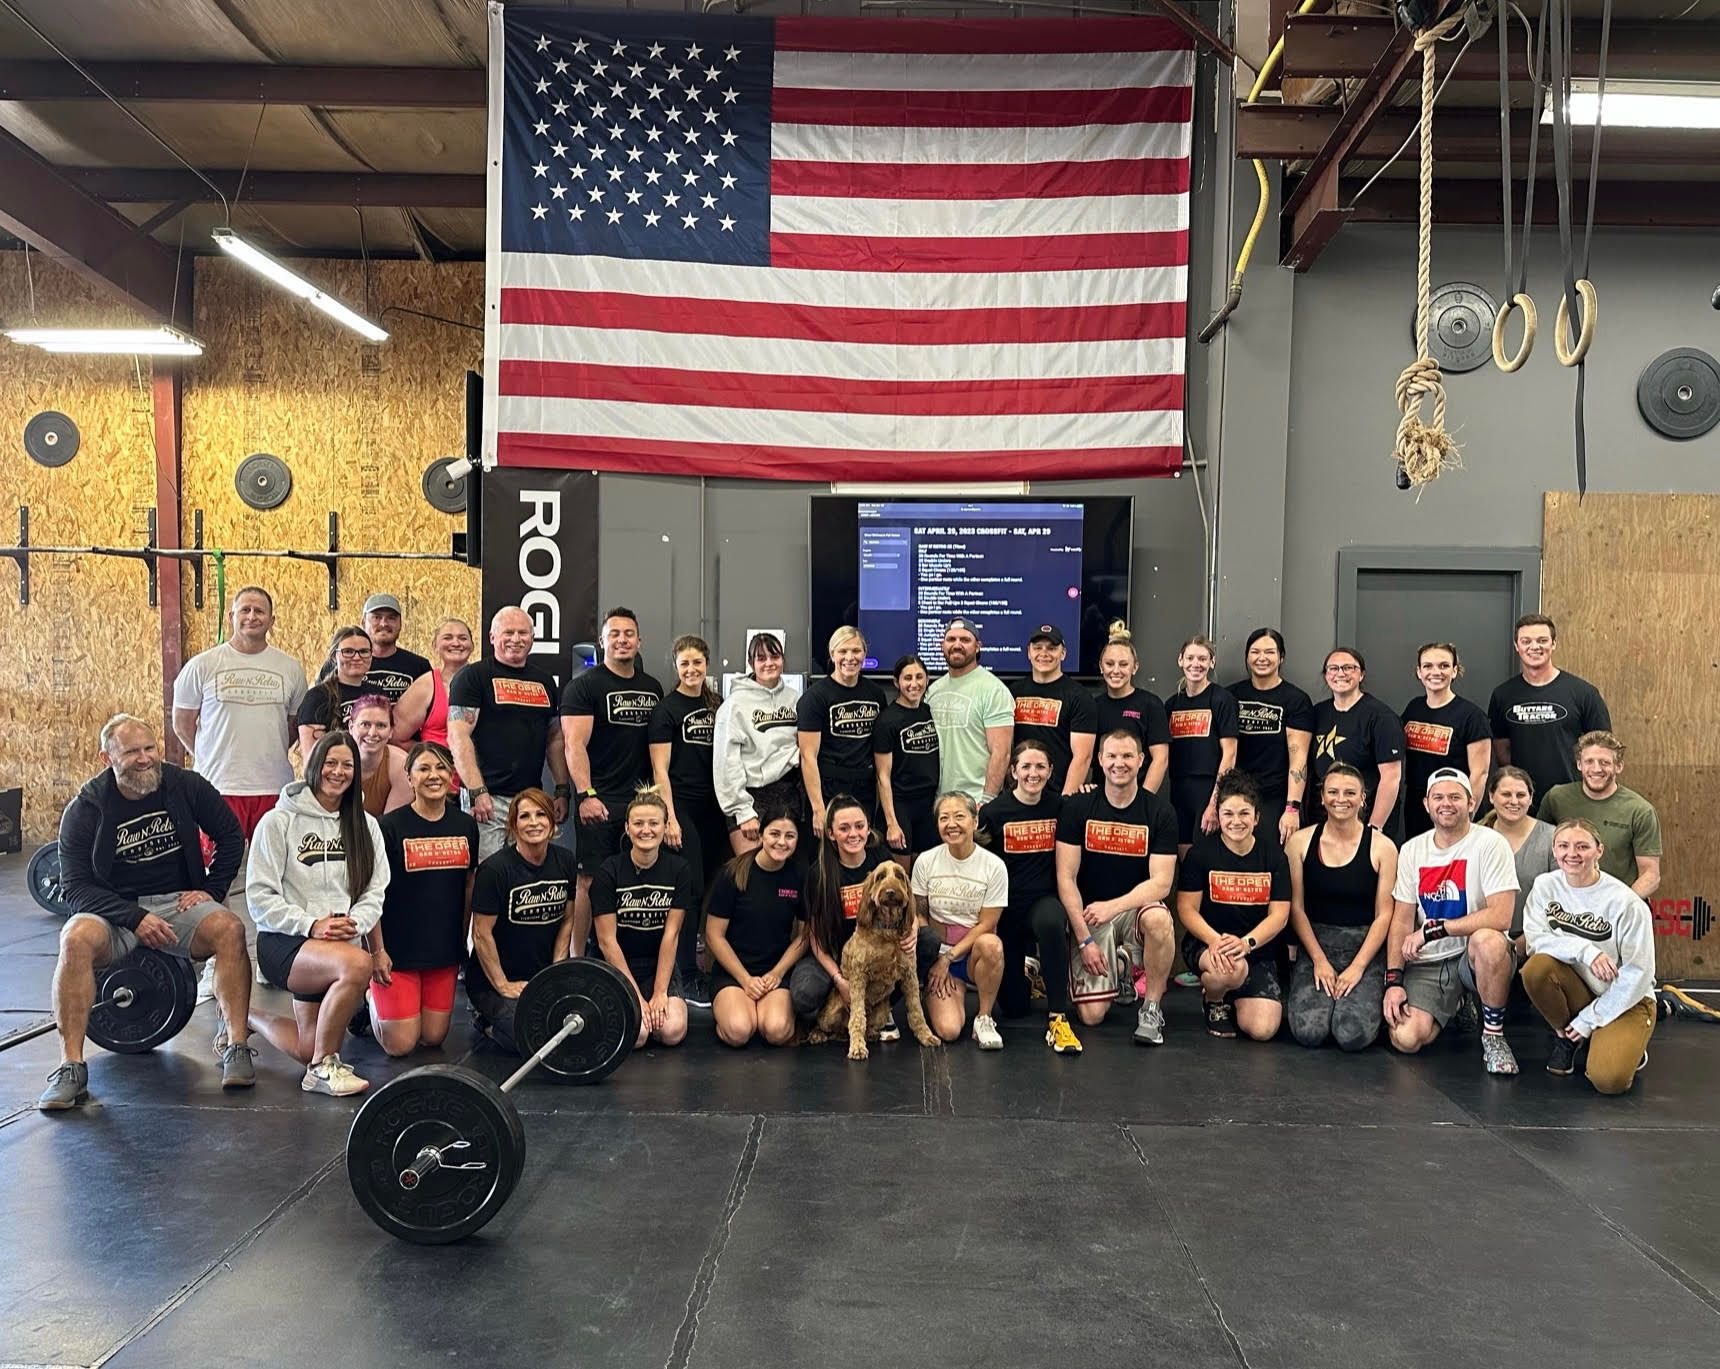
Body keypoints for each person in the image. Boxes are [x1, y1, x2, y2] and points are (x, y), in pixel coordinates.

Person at [39, 715, 254, 1109]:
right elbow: (76, 887)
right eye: (132, 751)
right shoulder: (86, 808)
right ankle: (71, 1067)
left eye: (150, 748)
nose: (145, 759)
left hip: (177, 902)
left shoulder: (184, 785)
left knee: (230, 928)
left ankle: (236, 1045)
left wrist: (210, 890)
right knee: (74, 939)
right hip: (113, 910)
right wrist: (132, 916)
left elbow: (230, 836)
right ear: (107, 757)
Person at [171, 584, 308, 983]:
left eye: (260, 611)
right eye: (244, 610)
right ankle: (217, 960)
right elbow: (183, 723)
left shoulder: (289, 668)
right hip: (219, 787)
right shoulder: (203, 665)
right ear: (232, 615)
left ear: (272, 619)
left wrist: (267, 753)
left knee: (277, 877)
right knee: (219, 876)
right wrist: (211, 757)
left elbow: (293, 727)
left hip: (272, 786)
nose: (252, 617)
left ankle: (272, 957)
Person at [247, 729, 390, 1097]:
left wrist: (353, 923)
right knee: (358, 965)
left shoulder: (365, 826)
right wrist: (311, 924)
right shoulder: (278, 822)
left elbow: (376, 890)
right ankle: (323, 1068)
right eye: (330, 763)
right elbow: (259, 897)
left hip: (337, 944)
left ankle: (246, 1017)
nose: (338, 772)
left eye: (347, 765)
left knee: (304, 1046)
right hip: (286, 943)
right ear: (313, 766)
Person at [1383, 768, 1521, 1075]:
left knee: (1488, 940)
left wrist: (1435, 929)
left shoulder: (1490, 843)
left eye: (1456, 797)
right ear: (1426, 804)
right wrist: (1394, 981)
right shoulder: (1412, 850)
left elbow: (1501, 916)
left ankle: (1494, 1036)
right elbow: (1401, 921)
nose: (1447, 804)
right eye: (1439, 797)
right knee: (1406, 1038)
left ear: (1471, 804)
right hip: (1432, 961)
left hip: (1476, 954)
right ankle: (1457, 1005)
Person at [1055, 728, 1179, 1043]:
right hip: (1090, 914)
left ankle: (1151, 1008)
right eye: (1111, 756)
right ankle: (1122, 969)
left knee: (1160, 918)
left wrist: (1114, 906)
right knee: (1092, 1018)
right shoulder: (1077, 807)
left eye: (1127, 756)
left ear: (1141, 761)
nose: (1118, 763)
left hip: (1128, 909)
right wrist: (1084, 940)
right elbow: (1065, 878)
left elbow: (1162, 884)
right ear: (1099, 759)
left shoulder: (1160, 812)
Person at [1521, 818, 1656, 1093]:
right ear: (1554, 851)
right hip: (1580, 988)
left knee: (1609, 1082)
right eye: (1564, 846)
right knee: (1536, 969)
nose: (1572, 854)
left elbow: (1639, 973)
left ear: (1599, 851)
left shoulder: (1625, 902)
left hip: (1626, 998)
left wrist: (1589, 1019)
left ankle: (1620, 1043)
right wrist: (1585, 950)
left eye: (1582, 846)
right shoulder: (1545, 886)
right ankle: (1568, 1038)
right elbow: (1535, 941)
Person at [562, 607, 664, 957]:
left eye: (629, 634)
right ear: (603, 640)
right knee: (589, 879)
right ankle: (577, 958)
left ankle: (623, 955)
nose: (622, 640)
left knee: (635, 879)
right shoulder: (585, 687)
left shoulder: (652, 687)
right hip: (599, 799)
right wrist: (586, 795)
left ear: (639, 641)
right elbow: (573, 745)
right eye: (615, 634)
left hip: (640, 803)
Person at [370, 742, 477, 1056]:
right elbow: (370, 894)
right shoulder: (388, 827)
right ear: (409, 777)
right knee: (401, 1045)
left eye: (441, 767)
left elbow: (468, 886)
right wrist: (376, 951)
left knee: (432, 1038)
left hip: (442, 952)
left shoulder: (466, 825)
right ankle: (369, 997)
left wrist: (462, 942)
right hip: (397, 953)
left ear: (452, 775)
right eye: (424, 768)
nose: (434, 775)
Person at [1284, 764, 1397, 1051]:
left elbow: (1385, 914)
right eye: (1332, 792)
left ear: (1363, 798)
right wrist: (1319, 960)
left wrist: (1358, 967)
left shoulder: (1383, 847)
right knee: (1309, 1033)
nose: (1340, 799)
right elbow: (1295, 908)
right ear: (1321, 797)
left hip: (1364, 947)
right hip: (1316, 945)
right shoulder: (1299, 842)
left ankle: (1367, 999)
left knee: (1351, 1035)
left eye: (1350, 793)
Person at [446, 606, 571, 861]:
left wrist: (561, 789)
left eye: (523, 633)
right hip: (487, 799)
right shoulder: (472, 677)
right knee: (485, 876)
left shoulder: (545, 682)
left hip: (531, 800)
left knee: (529, 875)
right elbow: (458, 736)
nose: (516, 639)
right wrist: (476, 791)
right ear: (492, 637)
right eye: (508, 632)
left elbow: (555, 739)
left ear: (532, 638)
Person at [1175, 772, 1291, 1040]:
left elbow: (1280, 915)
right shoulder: (1201, 854)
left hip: (1256, 949)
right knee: (1232, 970)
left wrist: (1246, 943)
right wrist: (1216, 941)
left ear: (1256, 817)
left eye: (1243, 813)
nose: (1236, 821)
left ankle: (1233, 996)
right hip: (1208, 944)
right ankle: (1214, 1001)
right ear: (1218, 814)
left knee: (1263, 1030)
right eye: (1228, 814)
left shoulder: (1273, 856)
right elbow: (1186, 909)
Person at [465, 788, 576, 1053]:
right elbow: (481, 933)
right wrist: (502, 984)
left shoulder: (566, 861)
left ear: (552, 823)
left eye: (541, 815)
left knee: (572, 1028)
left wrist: (554, 974)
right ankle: (486, 1022)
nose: (534, 822)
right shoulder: (494, 869)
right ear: (514, 825)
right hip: (493, 981)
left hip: (540, 976)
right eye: (525, 816)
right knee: (530, 1036)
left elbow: (567, 921)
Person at [649, 633, 726, 1004]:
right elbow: (660, 769)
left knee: (715, 886)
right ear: (676, 667)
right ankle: (687, 973)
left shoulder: (718, 706)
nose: (692, 669)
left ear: (707, 664)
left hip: (718, 808)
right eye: (685, 664)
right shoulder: (666, 710)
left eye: (697, 663)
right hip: (684, 808)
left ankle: (710, 965)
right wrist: (670, 818)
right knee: (691, 889)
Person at [590, 789, 692, 1050]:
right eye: (638, 823)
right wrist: (635, 996)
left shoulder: (679, 870)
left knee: (672, 1031)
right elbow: (606, 941)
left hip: (658, 964)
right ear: (627, 827)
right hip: (618, 964)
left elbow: (672, 935)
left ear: (665, 826)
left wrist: (660, 993)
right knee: (638, 1035)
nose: (646, 830)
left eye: (653, 823)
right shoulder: (608, 872)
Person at [979, 740, 1063, 1034]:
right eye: (1025, 766)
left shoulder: (1060, 807)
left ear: (1050, 770)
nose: (1033, 773)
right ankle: (1027, 972)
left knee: (1052, 921)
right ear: (1013, 771)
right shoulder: (993, 813)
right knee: (1014, 1009)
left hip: (1044, 901)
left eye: (1040, 766)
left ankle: (1058, 1012)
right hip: (1008, 911)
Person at [706, 806, 808, 1047]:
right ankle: (734, 1011)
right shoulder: (733, 872)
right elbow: (713, 935)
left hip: (774, 972)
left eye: (789, 836)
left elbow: (805, 935)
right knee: (739, 1031)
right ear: (761, 835)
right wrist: (745, 980)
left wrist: (778, 973)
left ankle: (766, 1011)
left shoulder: (799, 876)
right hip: (733, 972)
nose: (781, 842)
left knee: (776, 1031)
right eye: (774, 834)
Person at [912, 792, 1009, 1047]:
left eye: (959, 816)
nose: (951, 824)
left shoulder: (994, 866)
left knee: (992, 944)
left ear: (975, 821)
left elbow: (987, 924)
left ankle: (984, 1017)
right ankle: (934, 993)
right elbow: (919, 914)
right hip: (939, 955)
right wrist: (933, 956)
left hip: (970, 954)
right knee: (949, 1031)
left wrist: (949, 957)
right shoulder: (925, 861)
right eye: (944, 818)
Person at [788, 793, 892, 1025]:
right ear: (831, 833)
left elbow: (906, 910)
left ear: (867, 828)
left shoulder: (881, 859)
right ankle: (836, 1004)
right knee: (804, 994)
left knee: (925, 942)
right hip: (833, 956)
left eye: (859, 826)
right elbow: (813, 936)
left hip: (876, 953)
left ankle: (882, 1007)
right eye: (844, 828)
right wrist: (839, 979)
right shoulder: (819, 873)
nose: (853, 834)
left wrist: (913, 931)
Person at [1488, 613, 1611, 806]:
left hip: (1571, 798)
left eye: (1542, 640)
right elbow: (1501, 748)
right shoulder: (1502, 695)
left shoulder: (1583, 692)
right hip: (1520, 800)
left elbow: (1602, 748)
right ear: (1516, 646)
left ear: (1553, 644)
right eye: (1526, 641)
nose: (1534, 647)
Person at [1538, 732, 1662, 899]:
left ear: (1618, 766)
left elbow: (1650, 875)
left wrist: (1621, 906)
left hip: (1617, 907)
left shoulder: (1640, 810)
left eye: (1605, 762)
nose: (1596, 769)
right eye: (1589, 761)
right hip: (1566, 905)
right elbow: (1538, 850)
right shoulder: (1556, 798)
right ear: (1579, 764)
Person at [713, 631, 802, 855]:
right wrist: (742, 810)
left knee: (787, 878)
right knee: (752, 876)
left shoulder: (796, 699)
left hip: (789, 794)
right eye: (761, 658)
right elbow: (726, 762)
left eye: (775, 657)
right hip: (751, 798)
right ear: (751, 663)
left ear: (783, 659)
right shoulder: (734, 705)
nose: (769, 663)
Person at [1226, 627, 1314, 845]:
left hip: (1274, 798)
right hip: (1234, 795)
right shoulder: (1230, 696)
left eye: (1270, 652)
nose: (1262, 658)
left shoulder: (1296, 700)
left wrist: (1292, 808)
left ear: (1281, 657)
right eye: (1255, 652)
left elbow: (1299, 756)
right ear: (1247, 656)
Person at [1310, 647, 1405, 840]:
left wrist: (1374, 829)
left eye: (1348, 668)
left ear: (1361, 674)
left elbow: (1391, 778)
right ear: (1326, 675)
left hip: (1366, 819)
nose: (1340, 673)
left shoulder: (1381, 718)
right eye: (1333, 668)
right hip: (1324, 819)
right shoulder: (1317, 713)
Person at [799, 625, 887, 834]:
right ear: (832, 654)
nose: (850, 657)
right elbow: (807, 756)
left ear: (864, 654)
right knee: (830, 852)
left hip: (864, 788)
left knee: (859, 846)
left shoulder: (875, 694)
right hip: (829, 786)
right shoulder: (814, 698)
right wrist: (818, 808)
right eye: (843, 651)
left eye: (856, 651)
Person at [1399, 642, 1490, 839]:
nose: (1435, 672)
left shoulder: (1472, 716)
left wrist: (1467, 815)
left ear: (1455, 671)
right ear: (1419, 672)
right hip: (1418, 806)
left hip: (1454, 807)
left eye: (1444, 666)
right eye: (1428, 666)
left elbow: (1480, 772)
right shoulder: (1413, 708)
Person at [924, 616, 1013, 805]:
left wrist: (987, 801)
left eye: (965, 640)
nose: (957, 645)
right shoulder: (933, 690)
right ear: (942, 645)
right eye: (951, 639)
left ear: (978, 646)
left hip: (975, 802)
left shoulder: (993, 690)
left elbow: (1001, 753)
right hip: (937, 801)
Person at [1164, 635, 1239, 854]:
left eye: (1202, 658)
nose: (1195, 664)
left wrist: (1215, 803)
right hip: (1178, 790)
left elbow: (1230, 754)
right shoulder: (1171, 704)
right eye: (1190, 658)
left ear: (1211, 662)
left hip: (1208, 790)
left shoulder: (1221, 699)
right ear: (1180, 661)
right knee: (1184, 858)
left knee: (1206, 856)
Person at [1008, 624, 1097, 797]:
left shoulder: (1080, 697)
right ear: (1028, 652)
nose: (1044, 653)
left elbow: (1083, 757)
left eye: (1052, 648)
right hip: (1018, 796)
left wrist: (1066, 801)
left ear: (1063, 653)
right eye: (1038, 648)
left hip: (1058, 795)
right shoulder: (1013, 693)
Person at [873, 654, 942, 866]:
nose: (914, 684)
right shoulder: (887, 720)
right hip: (900, 805)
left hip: (928, 804)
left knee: (924, 874)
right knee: (901, 877)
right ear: (896, 682)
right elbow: (882, 776)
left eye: (919, 677)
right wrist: (892, 823)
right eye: (907, 678)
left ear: (927, 679)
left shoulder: (927, 711)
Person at [1478, 767, 1554, 951]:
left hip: (1538, 941)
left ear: (1531, 797)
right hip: (1483, 942)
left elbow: (1562, 898)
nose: (1514, 801)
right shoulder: (1475, 837)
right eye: (1506, 794)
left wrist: (1528, 939)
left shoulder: (1553, 838)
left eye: (1521, 795)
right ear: (1491, 796)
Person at [1093, 624, 1170, 794]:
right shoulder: (1092, 706)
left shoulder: (1151, 705)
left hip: (1139, 796)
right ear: (1101, 667)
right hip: (1100, 801)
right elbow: (1085, 757)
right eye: (1109, 664)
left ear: (1134, 667)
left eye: (1123, 664)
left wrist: (1142, 801)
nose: (1116, 670)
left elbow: (1161, 759)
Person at [314, 593, 432, 703]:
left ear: (400, 623)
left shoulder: (419, 667)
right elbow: (318, 704)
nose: (384, 623)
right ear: (363, 622)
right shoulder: (338, 664)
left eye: (391, 618)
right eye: (376, 617)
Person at [391, 617, 476, 761]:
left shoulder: (484, 680)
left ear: (472, 645)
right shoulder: (426, 686)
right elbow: (396, 737)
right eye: (447, 638)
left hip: (483, 778)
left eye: (463, 638)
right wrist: (434, 758)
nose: (456, 643)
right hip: (441, 780)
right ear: (434, 645)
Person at [297, 625, 375, 755]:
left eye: (364, 651)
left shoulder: (377, 694)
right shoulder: (317, 697)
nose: (356, 657)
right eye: (348, 651)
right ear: (334, 656)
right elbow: (312, 760)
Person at [348, 695, 411, 818]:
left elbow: (389, 827)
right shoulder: (332, 760)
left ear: (391, 731)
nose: (372, 733)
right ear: (351, 727)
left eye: (381, 725)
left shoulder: (401, 766)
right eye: (365, 724)